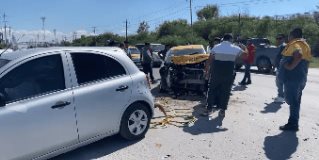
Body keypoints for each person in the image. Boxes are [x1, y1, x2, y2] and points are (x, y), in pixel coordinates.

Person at [203, 33, 245, 117]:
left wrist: (206, 71)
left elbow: (209, 60)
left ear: (223, 39)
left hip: (216, 73)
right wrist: (243, 47)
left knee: (211, 91)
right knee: (225, 92)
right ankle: (222, 110)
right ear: (231, 39)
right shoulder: (235, 48)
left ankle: (209, 109)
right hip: (228, 74)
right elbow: (245, 55)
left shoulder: (216, 47)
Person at [279, 28, 312, 131]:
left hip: (293, 79)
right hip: (300, 78)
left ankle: (293, 124)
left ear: (292, 35)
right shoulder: (305, 44)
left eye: (289, 36)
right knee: (296, 101)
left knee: (292, 101)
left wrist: (289, 67)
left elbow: (298, 54)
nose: (288, 38)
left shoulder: (295, 44)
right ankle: (294, 123)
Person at [273, 34, 287, 103]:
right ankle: (281, 95)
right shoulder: (280, 46)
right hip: (279, 67)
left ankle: (281, 97)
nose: (278, 40)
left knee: (279, 82)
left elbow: (283, 57)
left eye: (279, 39)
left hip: (281, 68)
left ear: (282, 39)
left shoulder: (283, 46)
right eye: (277, 39)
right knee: (279, 82)